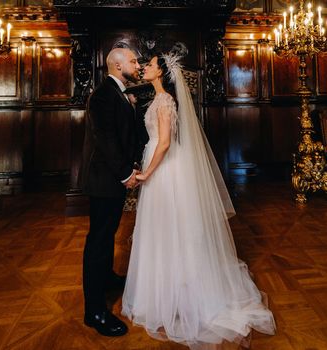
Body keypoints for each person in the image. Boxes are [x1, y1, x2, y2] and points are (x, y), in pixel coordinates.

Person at [121, 46, 276, 349]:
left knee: (169, 227)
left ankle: (179, 290)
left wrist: (148, 173)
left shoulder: (165, 101)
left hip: (164, 169)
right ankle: (165, 287)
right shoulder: (158, 99)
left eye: (150, 65)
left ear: (161, 72)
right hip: (161, 166)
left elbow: (164, 144)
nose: (145, 69)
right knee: (165, 228)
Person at [80, 47, 145, 337]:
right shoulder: (103, 94)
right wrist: (126, 174)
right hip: (105, 181)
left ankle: (106, 278)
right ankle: (94, 311)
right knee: (99, 240)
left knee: (107, 235)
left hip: (111, 180)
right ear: (118, 66)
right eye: (133, 61)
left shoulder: (119, 93)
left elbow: (123, 134)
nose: (137, 64)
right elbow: (104, 139)